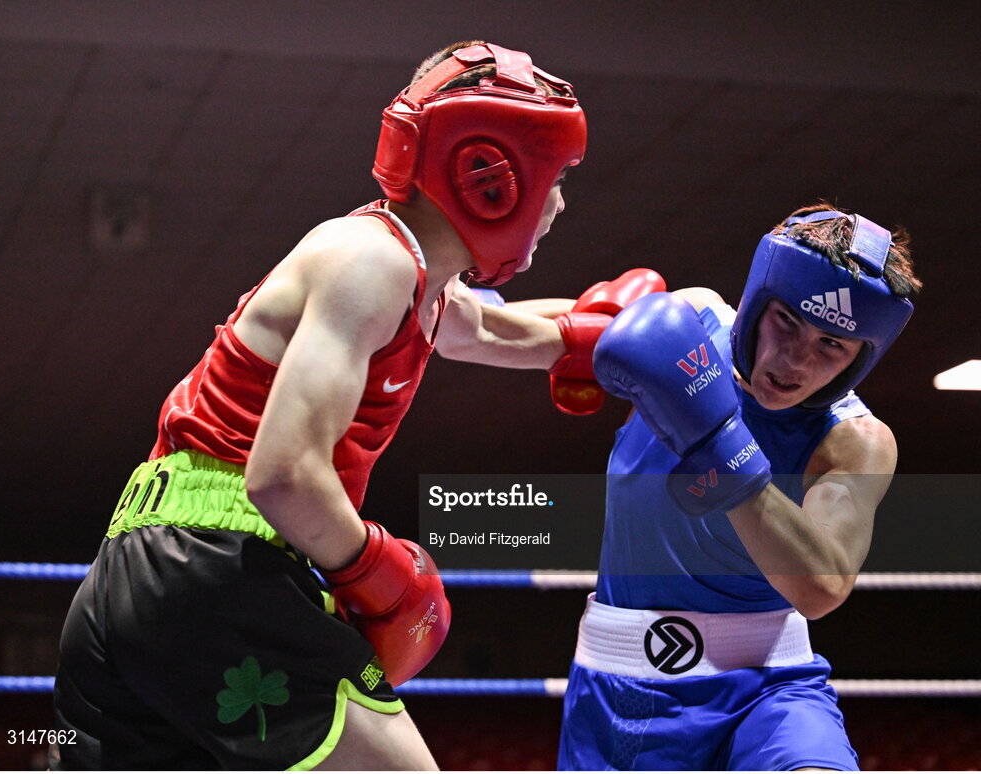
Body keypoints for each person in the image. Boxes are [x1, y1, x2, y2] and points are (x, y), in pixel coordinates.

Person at [50, 40, 661, 770]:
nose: (560, 202)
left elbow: (511, 329)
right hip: (218, 567)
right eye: (556, 178)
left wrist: (647, 334)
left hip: (142, 570)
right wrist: (381, 574)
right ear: (491, 178)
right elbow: (283, 475)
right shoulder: (369, 263)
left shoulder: (415, 285)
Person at [558, 203, 921, 771]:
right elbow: (531, 336)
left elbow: (822, 586)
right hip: (623, 680)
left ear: (858, 361)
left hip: (770, 686)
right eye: (788, 323)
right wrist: (440, 312)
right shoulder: (694, 321)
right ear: (757, 305)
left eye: (832, 346)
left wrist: (721, 446)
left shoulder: (856, 440)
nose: (797, 359)